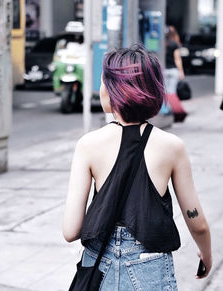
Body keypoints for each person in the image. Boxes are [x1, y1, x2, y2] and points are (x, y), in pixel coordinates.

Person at [62, 45, 212, 290]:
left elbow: (70, 230)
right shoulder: (171, 146)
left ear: (114, 91)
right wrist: (206, 254)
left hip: (99, 267)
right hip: (149, 265)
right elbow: (197, 221)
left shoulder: (88, 145)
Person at [164, 26, 185, 94]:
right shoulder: (174, 44)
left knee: (165, 92)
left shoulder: (163, 43)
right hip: (173, 70)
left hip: (164, 70)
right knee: (172, 92)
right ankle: (172, 104)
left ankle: (166, 104)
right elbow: (177, 59)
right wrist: (181, 71)